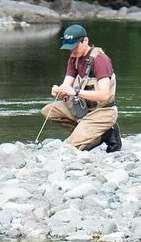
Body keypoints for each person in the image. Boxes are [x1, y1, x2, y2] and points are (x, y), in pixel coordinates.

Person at [41, 23, 121, 151]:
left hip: (103, 112)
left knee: (70, 148)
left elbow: (104, 95)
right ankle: (99, 133)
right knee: (48, 111)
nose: (73, 51)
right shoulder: (74, 58)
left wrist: (75, 91)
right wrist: (59, 91)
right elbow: (66, 87)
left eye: (75, 46)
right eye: (70, 47)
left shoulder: (100, 60)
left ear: (85, 41)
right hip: (83, 110)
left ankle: (106, 134)